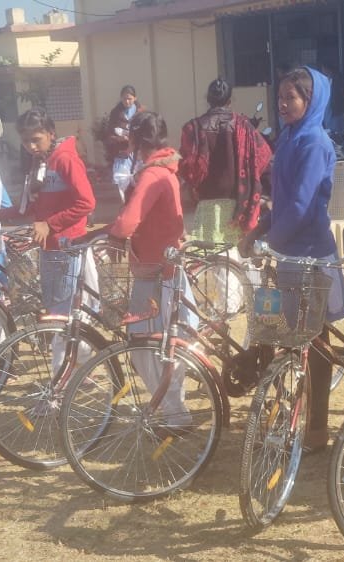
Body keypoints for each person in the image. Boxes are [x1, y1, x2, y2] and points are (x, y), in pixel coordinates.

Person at [241, 66, 344, 452]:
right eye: (281, 97)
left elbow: (303, 206)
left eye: (292, 97)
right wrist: (258, 231)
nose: (283, 104)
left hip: (309, 253)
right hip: (288, 252)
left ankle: (317, 430)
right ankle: (291, 415)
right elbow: (283, 202)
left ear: (311, 100)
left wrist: (270, 240)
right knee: (291, 336)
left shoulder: (315, 142)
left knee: (315, 342)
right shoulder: (289, 138)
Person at [108, 111, 195, 427]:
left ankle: (174, 411)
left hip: (155, 272)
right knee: (164, 341)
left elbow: (129, 220)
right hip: (165, 267)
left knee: (144, 344)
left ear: (134, 140)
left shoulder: (151, 175)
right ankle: (173, 407)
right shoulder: (165, 169)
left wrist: (114, 234)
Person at [179, 78, 273, 245]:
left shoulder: (193, 128)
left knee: (208, 257)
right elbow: (264, 157)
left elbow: (186, 167)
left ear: (208, 100)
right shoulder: (244, 127)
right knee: (234, 256)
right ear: (229, 101)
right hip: (238, 209)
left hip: (206, 207)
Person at [0, 109, 95, 251]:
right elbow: (31, 206)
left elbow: (86, 203)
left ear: (51, 134)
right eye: (25, 141)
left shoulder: (65, 160)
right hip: (48, 245)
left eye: (36, 140)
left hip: (69, 245)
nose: (31, 146)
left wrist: (48, 225)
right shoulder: (39, 162)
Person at [103, 85, 143, 200]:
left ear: (135, 98)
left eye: (130, 99)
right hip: (122, 153)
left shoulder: (141, 113)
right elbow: (109, 134)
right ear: (121, 98)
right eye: (124, 98)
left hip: (138, 153)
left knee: (140, 181)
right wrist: (119, 138)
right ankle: (125, 203)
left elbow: (147, 133)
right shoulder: (115, 113)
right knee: (122, 181)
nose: (127, 101)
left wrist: (134, 139)